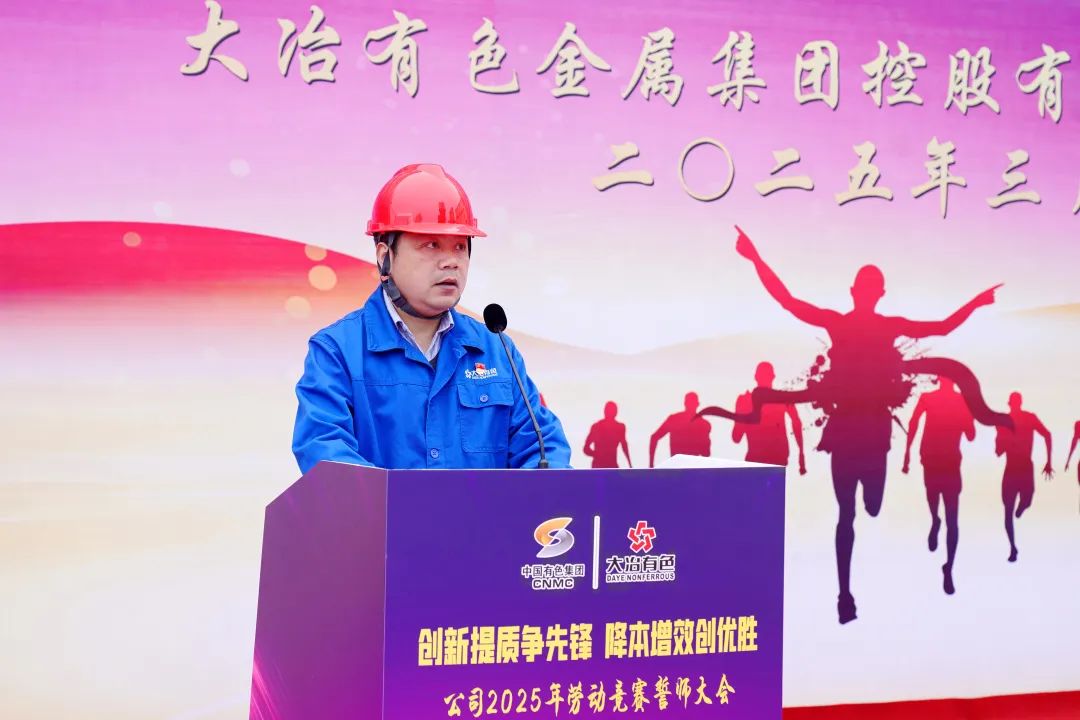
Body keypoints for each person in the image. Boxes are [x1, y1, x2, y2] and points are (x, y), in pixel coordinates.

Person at [703, 227, 1007, 624]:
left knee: (861, 509)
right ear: (876, 293)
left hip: (860, 432)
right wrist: (977, 302)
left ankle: (844, 590)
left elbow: (788, 301)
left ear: (860, 292)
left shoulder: (857, 325)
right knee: (854, 511)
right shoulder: (867, 325)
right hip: (856, 432)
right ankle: (844, 594)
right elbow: (943, 327)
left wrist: (756, 259)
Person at [292, 163, 570, 473]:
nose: (451, 262)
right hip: (381, 509)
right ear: (385, 257)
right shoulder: (337, 352)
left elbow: (543, 449)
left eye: (460, 247)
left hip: (484, 510)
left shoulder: (496, 350)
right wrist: (406, 501)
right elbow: (326, 454)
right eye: (431, 245)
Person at [902, 377, 975, 595]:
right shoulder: (932, 398)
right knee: (939, 505)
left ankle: (948, 567)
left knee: (951, 518)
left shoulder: (959, 401)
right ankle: (935, 520)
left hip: (945, 461)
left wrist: (908, 453)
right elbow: (914, 422)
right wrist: (907, 453)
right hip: (934, 459)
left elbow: (970, 434)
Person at [995, 392, 1053, 562]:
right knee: (1008, 513)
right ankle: (1013, 547)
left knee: (1025, 501)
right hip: (1012, 468)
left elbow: (1047, 434)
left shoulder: (1029, 418)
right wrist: (1002, 437)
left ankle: (1021, 508)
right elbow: (998, 452)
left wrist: (1049, 462)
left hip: (1024, 467)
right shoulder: (1004, 422)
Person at [732, 362, 807, 473]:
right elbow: (796, 422)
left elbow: (736, 438)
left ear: (756, 377)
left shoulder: (746, 401)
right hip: (766, 461)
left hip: (765, 461)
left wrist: (801, 453)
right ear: (773, 377)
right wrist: (801, 453)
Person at [649, 392, 711, 467]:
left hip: (681, 468)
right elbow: (706, 453)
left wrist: (651, 465)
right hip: (688, 468)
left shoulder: (674, 419)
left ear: (685, 403)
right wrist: (651, 466)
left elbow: (654, 437)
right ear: (697, 404)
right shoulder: (704, 424)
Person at [583, 401, 632, 468]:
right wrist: (597, 455)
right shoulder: (596, 427)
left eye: (612, 411)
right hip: (598, 467)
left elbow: (624, 447)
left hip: (612, 466)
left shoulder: (620, 428)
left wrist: (630, 465)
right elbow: (586, 448)